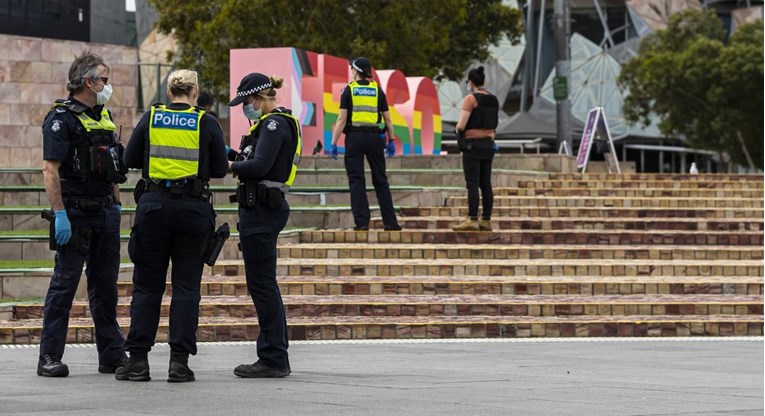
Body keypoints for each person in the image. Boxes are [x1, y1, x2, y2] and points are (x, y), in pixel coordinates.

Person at [117, 69, 228, 382]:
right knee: (186, 288)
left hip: (153, 209)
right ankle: (179, 363)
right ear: (195, 92)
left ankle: (137, 360)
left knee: (147, 286)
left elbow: (127, 160)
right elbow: (219, 168)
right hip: (193, 212)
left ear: (169, 93)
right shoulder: (206, 121)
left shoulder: (152, 117)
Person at [38, 50, 128, 377]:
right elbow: (50, 169)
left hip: (105, 212)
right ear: (88, 81)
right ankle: (49, 356)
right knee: (64, 286)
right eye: (104, 79)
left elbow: (113, 168)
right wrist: (59, 213)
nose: (107, 85)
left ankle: (112, 355)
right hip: (74, 215)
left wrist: (116, 205)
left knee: (105, 288)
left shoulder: (103, 116)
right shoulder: (61, 118)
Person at [228, 72, 301, 378]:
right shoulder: (271, 124)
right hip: (260, 210)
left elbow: (259, 166)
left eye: (246, 102)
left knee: (263, 286)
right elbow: (254, 159)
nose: (246, 108)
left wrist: (229, 165)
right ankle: (274, 353)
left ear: (258, 98)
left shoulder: (273, 124)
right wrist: (230, 155)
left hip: (262, 212)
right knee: (263, 285)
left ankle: (273, 356)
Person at [330, 57, 401, 231]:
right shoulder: (378, 90)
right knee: (381, 180)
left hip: (354, 138)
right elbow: (388, 119)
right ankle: (390, 222)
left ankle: (362, 223)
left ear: (356, 71)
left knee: (356, 181)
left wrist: (333, 142)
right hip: (375, 138)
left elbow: (341, 119)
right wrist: (391, 140)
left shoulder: (349, 90)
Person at [452, 66, 499, 232]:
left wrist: (458, 130)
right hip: (489, 144)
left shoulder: (470, 99)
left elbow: (461, 124)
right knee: (485, 183)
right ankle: (486, 220)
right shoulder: (493, 99)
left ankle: (472, 219)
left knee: (472, 183)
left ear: (470, 82)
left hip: (473, 146)